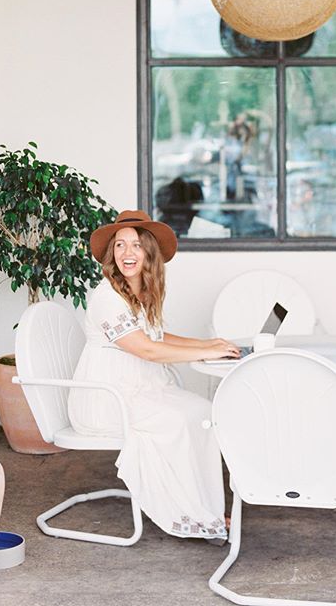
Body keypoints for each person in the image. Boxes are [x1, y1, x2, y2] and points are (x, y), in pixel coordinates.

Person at [67, 209, 240, 543]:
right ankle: (193, 515)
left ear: (149, 252)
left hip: (137, 388)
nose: (127, 253)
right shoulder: (107, 297)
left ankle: (208, 508)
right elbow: (146, 350)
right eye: (119, 246)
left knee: (203, 413)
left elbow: (157, 336)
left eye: (135, 245)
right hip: (107, 398)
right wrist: (204, 353)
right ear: (111, 253)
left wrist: (208, 343)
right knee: (178, 420)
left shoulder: (140, 290)